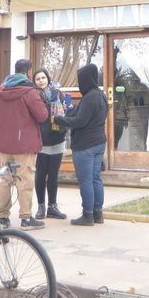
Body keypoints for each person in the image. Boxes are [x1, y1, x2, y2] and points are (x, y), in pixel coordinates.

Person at [0, 58, 48, 229]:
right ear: (27, 72)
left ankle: (2, 217)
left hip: (5, 142)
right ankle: (26, 217)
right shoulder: (29, 91)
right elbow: (42, 116)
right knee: (25, 179)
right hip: (24, 144)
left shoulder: (1, 89)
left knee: (5, 179)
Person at [54, 63, 108, 226]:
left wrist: (60, 119)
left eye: (81, 79)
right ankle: (98, 214)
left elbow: (80, 121)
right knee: (95, 179)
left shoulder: (90, 97)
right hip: (99, 142)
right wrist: (71, 109)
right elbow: (86, 114)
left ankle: (87, 215)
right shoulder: (100, 95)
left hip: (85, 145)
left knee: (85, 180)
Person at [32, 68, 71, 219]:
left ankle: (52, 207)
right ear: (34, 82)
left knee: (53, 175)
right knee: (41, 174)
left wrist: (67, 109)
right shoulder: (33, 96)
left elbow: (64, 113)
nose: (41, 81)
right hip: (41, 141)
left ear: (47, 78)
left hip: (57, 138)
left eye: (43, 78)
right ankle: (41, 206)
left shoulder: (58, 94)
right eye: (38, 79)